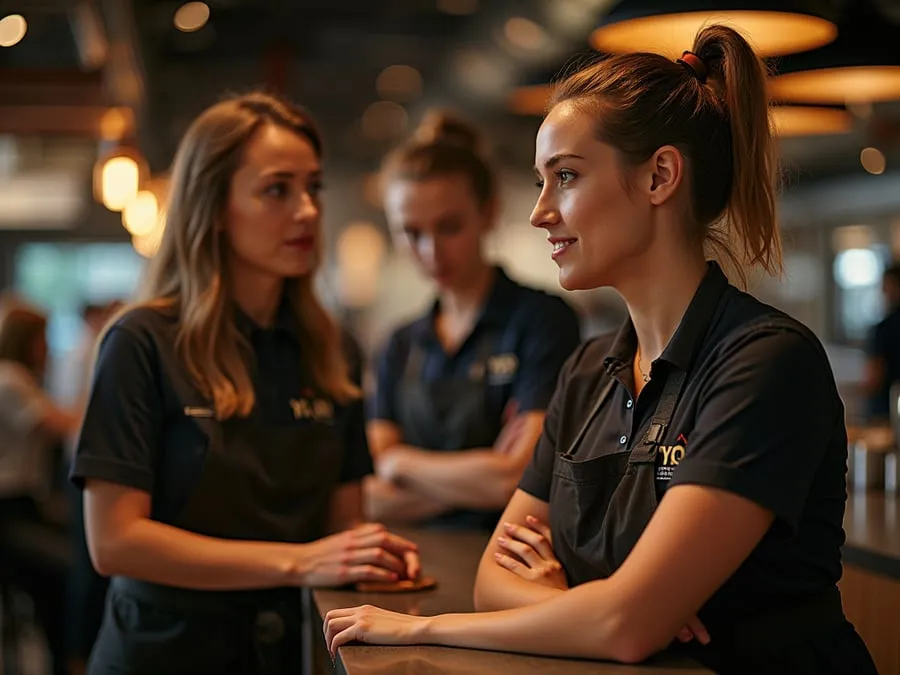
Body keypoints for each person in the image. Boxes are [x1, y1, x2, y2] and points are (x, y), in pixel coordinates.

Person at [323, 26, 878, 675]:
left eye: (565, 176)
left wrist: (427, 627)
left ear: (659, 177)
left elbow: (623, 626)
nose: (539, 213)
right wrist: (605, 605)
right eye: (541, 180)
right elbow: (494, 579)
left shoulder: (764, 363)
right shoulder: (588, 371)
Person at [69, 92, 420, 675]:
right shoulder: (142, 341)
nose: (307, 211)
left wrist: (370, 553)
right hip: (165, 654)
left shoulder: (331, 349)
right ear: (212, 207)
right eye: (278, 190)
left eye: (314, 188)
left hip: (294, 650)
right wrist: (299, 561)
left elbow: (343, 522)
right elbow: (114, 542)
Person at [365, 111, 581, 531]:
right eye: (411, 232)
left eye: (449, 226)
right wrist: (484, 478)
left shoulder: (542, 322)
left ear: (488, 212)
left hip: (512, 554)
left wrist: (400, 464)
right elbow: (371, 498)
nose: (430, 251)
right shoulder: (399, 345)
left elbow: (517, 479)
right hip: (408, 562)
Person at [0, 298, 80, 675]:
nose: (47, 347)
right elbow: (58, 423)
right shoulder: (10, 379)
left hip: (23, 505)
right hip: (7, 510)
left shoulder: (20, 379)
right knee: (66, 571)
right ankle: (64, 661)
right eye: (43, 338)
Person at [864, 262, 900, 422]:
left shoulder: (885, 328)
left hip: (885, 410)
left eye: (886, 285)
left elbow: (874, 377)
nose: (883, 291)